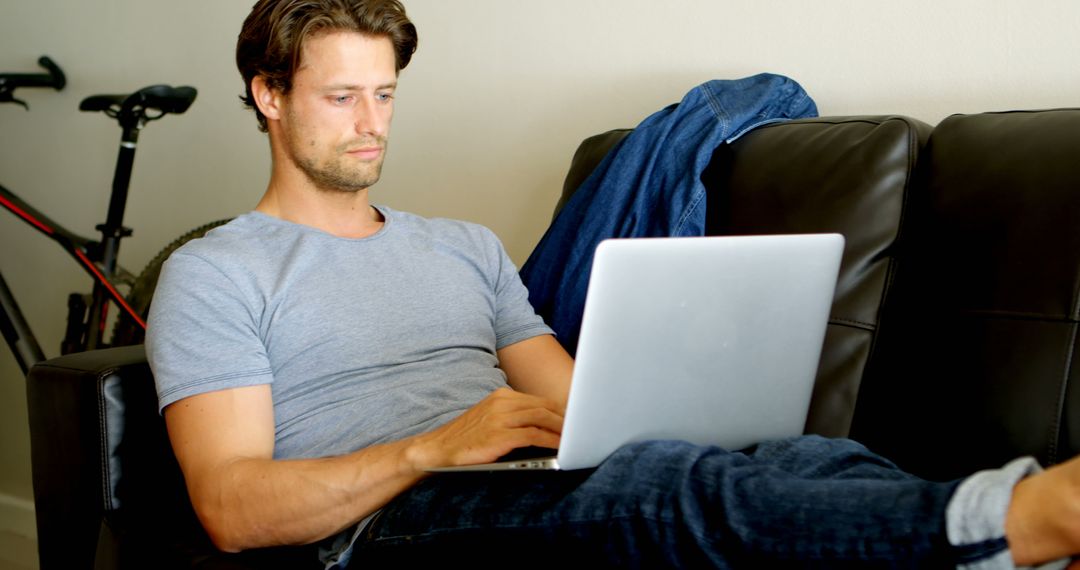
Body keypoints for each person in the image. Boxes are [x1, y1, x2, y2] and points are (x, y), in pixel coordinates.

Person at [146, 1, 1080, 568]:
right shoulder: (218, 270)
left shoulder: (462, 247)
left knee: (795, 459)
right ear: (269, 97)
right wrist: (432, 449)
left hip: (519, 483)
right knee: (664, 490)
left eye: (384, 94)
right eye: (340, 97)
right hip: (395, 520)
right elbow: (231, 508)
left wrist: (672, 398)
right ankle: (1032, 515)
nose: (371, 123)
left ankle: (1021, 541)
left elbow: (571, 397)